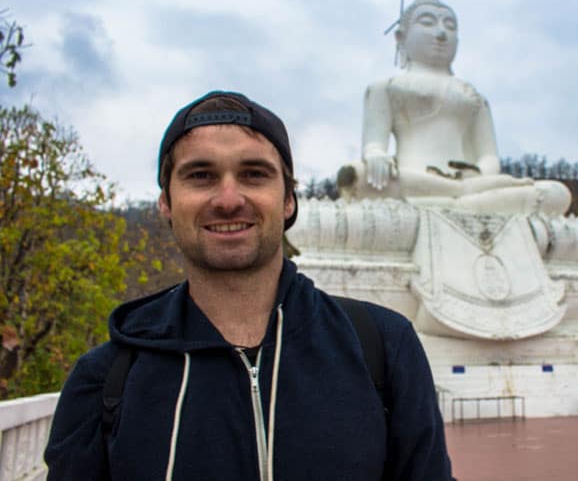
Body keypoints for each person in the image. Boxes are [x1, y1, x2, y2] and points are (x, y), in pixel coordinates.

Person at [44, 90, 453, 480]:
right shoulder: (106, 379)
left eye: (254, 174)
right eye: (201, 175)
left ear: (289, 199)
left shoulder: (382, 348)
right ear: (166, 202)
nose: (227, 198)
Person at [337, 0, 570, 216]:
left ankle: (451, 202)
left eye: (450, 26)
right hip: (414, 179)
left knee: (555, 194)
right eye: (428, 23)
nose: (441, 33)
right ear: (401, 36)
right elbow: (374, 145)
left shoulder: (474, 97)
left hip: (471, 185)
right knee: (357, 175)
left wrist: (480, 175)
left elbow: (489, 157)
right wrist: (377, 157)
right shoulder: (385, 88)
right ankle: (460, 203)